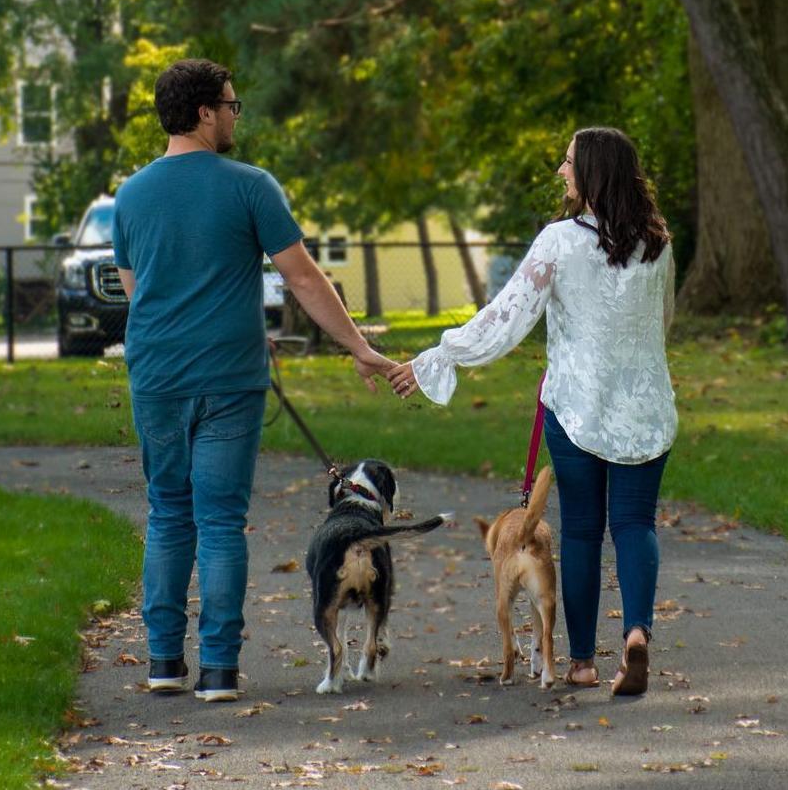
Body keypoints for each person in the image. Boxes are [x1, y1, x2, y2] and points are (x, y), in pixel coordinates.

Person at [112, 58, 402, 704]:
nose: (236, 115)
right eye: (232, 105)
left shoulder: (129, 196)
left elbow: (140, 291)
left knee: (167, 512)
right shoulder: (249, 185)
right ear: (206, 111)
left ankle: (162, 661)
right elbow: (302, 276)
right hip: (228, 378)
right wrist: (358, 346)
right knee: (219, 521)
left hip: (156, 375)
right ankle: (218, 670)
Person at [391, 126, 677, 697]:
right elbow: (662, 322)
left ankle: (581, 662)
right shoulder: (658, 242)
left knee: (581, 532)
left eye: (568, 163)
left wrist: (437, 357)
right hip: (646, 409)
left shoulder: (559, 241)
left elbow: (505, 319)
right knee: (636, 524)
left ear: (591, 172)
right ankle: (638, 634)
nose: (560, 172)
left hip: (576, 409)